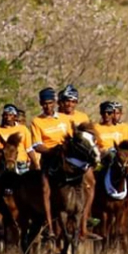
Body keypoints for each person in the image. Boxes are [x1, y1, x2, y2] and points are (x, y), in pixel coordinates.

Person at [32, 88, 76, 238]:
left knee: (86, 180)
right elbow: (37, 145)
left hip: (67, 159)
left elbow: (72, 139)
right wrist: (52, 151)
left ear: (55, 103)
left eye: (50, 103)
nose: (47, 107)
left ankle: (83, 217)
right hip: (49, 159)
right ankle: (50, 226)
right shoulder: (37, 121)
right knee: (45, 189)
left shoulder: (64, 119)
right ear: (40, 104)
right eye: (44, 104)